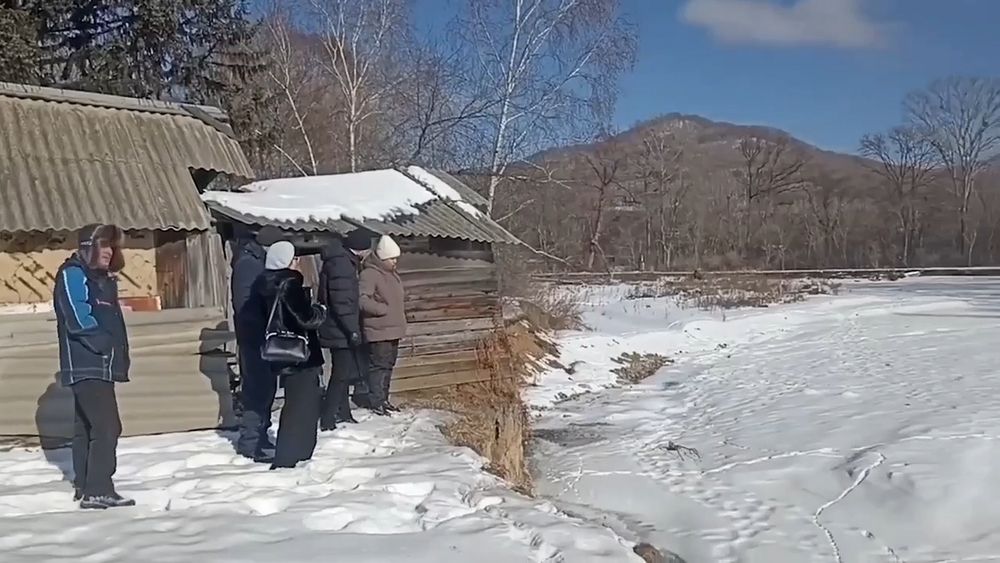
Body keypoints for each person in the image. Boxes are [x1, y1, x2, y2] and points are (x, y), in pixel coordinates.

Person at [52, 223, 134, 510]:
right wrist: (103, 343)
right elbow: (76, 316)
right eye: (103, 245)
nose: (109, 251)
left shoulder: (104, 279)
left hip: (102, 364)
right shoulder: (73, 273)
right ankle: (99, 489)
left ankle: (86, 486)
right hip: (86, 362)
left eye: (112, 246)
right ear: (89, 246)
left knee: (87, 427)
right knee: (107, 426)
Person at [248, 241, 327, 469]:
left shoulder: (263, 283)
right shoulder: (289, 283)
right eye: (294, 258)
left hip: (282, 352)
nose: (298, 262)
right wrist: (319, 311)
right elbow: (304, 318)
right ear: (286, 261)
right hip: (301, 355)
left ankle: (294, 453)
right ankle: (291, 455)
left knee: (296, 403)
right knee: (303, 406)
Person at [231, 226, 287, 462]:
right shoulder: (249, 265)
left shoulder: (257, 261)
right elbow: (245, 305)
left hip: (262, 335)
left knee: (267, 389)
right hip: (253, 337)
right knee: (256, 390)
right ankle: (250, 443)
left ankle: (261, 436)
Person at [317, 229, 372, 430]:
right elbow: (342, 302)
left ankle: (343, 412)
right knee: (340, 374)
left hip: (337, 326)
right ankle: (328, 418)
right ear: (361, 248)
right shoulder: (342, 264)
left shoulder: (340, 260)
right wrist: (352, 330)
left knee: (343, 372)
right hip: (339, 327)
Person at [359, 235, 406, 415]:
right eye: (391, 258)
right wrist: (382, 309)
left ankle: (384, 399)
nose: (395, 261)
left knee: (388, 366)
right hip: (379, 330)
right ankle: (376, 401)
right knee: (378, 367)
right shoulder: (370, 274)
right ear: (382, 258)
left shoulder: (391, 274)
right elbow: (362, 300)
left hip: (392, 329)